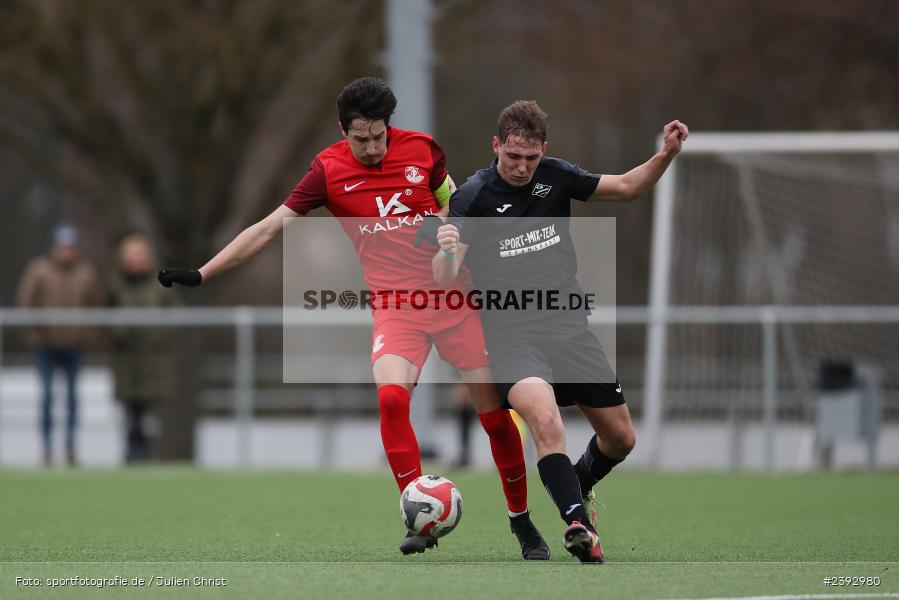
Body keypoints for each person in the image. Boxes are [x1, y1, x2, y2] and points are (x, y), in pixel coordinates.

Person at [157, 78, 549, 559]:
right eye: (361, 139)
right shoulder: (327, 171)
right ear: (343, 131)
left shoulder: (424, 151)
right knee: (391, 399)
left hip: (454, 300)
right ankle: (417, 514)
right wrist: (203, 272)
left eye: (379, 136)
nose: (372, 147)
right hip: (396, 307)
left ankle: (521, 520)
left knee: (492, 415)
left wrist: (446, 230)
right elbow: (267, 228)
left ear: (389, 126)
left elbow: (455, 204)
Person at [433, 100, 688, 563]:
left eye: (531, 158)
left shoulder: (556, 175)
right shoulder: (473, 196)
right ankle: (579, 525)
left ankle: (578, 482)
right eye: (513, 156)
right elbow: (444, 275)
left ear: (543, 150)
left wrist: (666, 154)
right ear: (496, 146)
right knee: (547, 423)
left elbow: (627, 187)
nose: (522, 167)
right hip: (511, 335)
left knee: (621, 439)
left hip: (569, 328)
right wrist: (448, 249)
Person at [16, 225, 103, 466]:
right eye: (63, 247)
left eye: (70, 247)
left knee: (73, 397)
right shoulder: (38, 270)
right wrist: (36, 335)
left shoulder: (86, 272)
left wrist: (86, 335)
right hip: (46, 345)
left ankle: (71, 445)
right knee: (46, 396)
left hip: (74, 346)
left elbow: (95, 306)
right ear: (55, 247)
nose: (67, 252)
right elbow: (26, 303)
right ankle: (46, 446)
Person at [109, 234, 181, 463]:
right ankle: (131, 453)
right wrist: (120, 333)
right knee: (130, 412)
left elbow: (176, 316)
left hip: (154, 360)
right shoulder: (116, 286)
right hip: (126, 360)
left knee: (151, 413)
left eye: (139, 255)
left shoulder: (162, 285)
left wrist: (156, 336)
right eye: (131, 255)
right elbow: (106, 316)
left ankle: (150, 454)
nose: (135, 260)